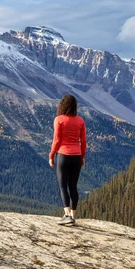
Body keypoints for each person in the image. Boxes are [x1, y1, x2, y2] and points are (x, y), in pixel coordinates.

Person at [49, 94, 86, 225]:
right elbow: (84, 142)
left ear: (62, 105)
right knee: (73, 186)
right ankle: (73, 216)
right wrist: (82, 157)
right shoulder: (80, 120)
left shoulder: (59, 119)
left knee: (63, 185)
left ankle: (66, 215)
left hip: (63, 155)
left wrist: (51, 155)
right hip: (76, 156)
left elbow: (57, 140)